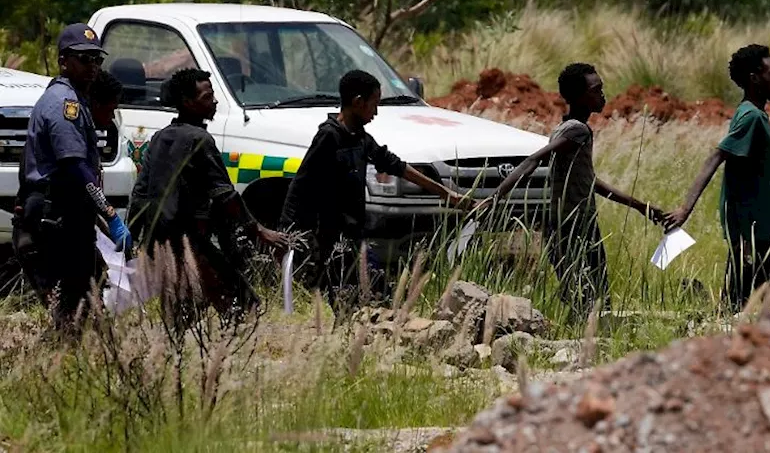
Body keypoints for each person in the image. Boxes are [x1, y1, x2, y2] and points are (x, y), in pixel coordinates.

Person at [281, 70, 476, 318]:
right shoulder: (328, 137)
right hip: (329, 239)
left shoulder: (360, 138)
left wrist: (447, 194)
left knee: (376, 295)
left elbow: (397, 165)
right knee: (348, 301)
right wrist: (288, 234)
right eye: (374, 104)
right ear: (358, 101)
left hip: (353, 234)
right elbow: (300, 186)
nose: (376, 111)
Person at [483, 63, 670, 319]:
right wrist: (494, 198)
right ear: (579, 96)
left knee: (583, 293)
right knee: (595, 295)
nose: (602, 95)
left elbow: (590, 182)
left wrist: (641, 207)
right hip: (574, 225)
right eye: (596, 90)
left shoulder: (566, 128)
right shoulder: (577, 130)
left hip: (565, 223)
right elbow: (533, 160)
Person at [128, 69, 288, 321]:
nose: (214, 101)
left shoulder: (159, 138)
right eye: (207, 97)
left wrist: (134, 240)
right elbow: (226, 195)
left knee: (181, 313)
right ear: (187, 102)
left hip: (159, 243)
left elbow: (139, 195)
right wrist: (259, 230)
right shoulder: (200, 140)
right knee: (244, 307)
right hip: (191, 242)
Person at [13, 24, 130, 330]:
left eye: (97, 59)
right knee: (74, 305)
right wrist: (110, 215)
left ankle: (71, 360)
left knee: (82, 302)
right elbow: (76, 168)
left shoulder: (68, 99)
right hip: (58, 215)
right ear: (64, 60)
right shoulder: (67, 106)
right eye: (84, 59)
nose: (92, 67)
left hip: (63, 212)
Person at [667, 45, 770, 312]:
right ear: (755, 78)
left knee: (758, 298)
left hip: (759, 231)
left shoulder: (753, 113)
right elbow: (716, 156)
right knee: (750, 302)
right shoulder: (751, 117)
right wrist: (685, 209)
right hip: (751, 233)